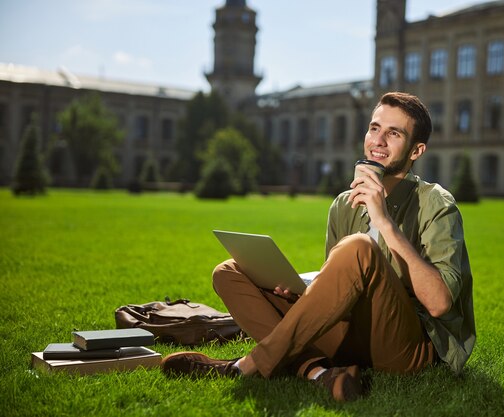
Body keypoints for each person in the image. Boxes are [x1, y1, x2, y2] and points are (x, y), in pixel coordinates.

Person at [161, 91, 475, 402]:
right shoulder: (343, 205)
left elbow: (440, 304)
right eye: (374, 128)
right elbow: (339, 291)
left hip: (409, 347)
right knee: (228, 272)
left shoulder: (436, 203)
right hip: (351, 335)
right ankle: (319, 374)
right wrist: (301, 292)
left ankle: (247, 365)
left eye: (394, 133)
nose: (378, 140)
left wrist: (385, 222)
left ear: (416, 150)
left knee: (360, 247)